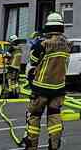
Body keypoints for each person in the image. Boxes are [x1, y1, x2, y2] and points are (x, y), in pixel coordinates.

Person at [24, 13, 71, 150]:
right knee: (55, 117)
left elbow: (32, 63)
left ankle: (31, 146)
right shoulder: (68, 45)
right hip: (59, 89)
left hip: (40, 89)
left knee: (34, 116)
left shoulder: (42, 45)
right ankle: (54, 145)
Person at [2, 35, 22, 99]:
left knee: (9, 79)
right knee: (15, 81)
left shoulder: (12, 48)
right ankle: (16, 93)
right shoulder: (19, 48)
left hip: (12, 66)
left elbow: (7, 55)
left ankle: (10, 93)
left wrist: (4, 54)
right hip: (18, 67)